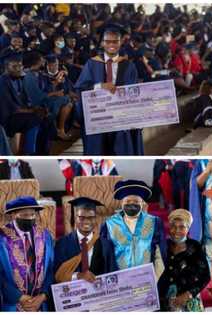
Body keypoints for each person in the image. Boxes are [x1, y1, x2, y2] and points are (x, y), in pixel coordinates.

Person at [74, 23, 143, 155]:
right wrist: (100, 86)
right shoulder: (92, 63)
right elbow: (80, 88)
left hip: (120, 117)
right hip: (98, 116)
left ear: (121, 42)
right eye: (108, 41)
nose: (112, 44)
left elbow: (134, 93)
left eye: (115, 41)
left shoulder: (128, 66)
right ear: (102, 43)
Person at [100, 179, 166, 278]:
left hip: (146, 280)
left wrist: (155, 279)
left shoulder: (154, 222)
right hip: (120, 282)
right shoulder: (109, 224)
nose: (132, 204)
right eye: (128, 201)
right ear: (122, 202)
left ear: (142, 203)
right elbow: (105, 256)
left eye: (136, 201)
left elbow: (160, 254)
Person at [0, 196, 54, 311]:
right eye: (25, 215)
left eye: (33, 215)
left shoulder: (44, 236)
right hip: (12, 303)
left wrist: (43, 295)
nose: (30, 218)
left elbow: (50, 269)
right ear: (14, 215)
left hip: (40, 304)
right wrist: (19, 297)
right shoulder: (2, 239)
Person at [53, 197, 118, 283]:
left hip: (99, 294)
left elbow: (113, 274)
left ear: (96, 219)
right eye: (82, 217)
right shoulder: (62, 244)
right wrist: (78, 276)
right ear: (75, 218)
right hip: (72, 293)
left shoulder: (106, 245)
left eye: (91, 217)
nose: (86, 221)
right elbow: (57, 274)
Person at [157, 209, 210, 312]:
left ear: (188, 228)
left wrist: (188, 295)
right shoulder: (163, 246)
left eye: (182, 227)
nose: (177, 231)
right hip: (164, 301)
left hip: (188, 301)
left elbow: (205, 276)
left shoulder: (195, 247)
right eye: (173, 226)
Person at [0, 51, 50, 155]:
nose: (18, 69)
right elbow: (12, 108)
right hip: (7, 118)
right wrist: (33, 111)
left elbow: (25, 101)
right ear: (6, 68)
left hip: (18, 114)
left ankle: (43, 152)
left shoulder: (19, 79)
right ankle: (30, 152)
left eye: (20, 66)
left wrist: (36, 108)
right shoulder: (2, 82)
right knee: (33, 119)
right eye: (14, 66)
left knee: (45, 118)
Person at [23, 52, 73, 140]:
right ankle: (56, 128)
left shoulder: (38, 73)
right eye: (42, 61)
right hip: (36, 104)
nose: (43, 62)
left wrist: (56, 83)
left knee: (67, 100)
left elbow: (47, 89)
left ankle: (59, 130)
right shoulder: (29, 76)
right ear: (37, 62)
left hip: (44, 99)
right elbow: (37, 98)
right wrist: (55, 93)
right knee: (66, 99)